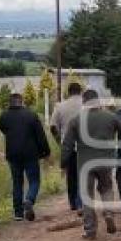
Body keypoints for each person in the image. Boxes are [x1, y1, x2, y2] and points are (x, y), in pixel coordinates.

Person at [61, 89, 121, 240]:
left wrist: (63, 163)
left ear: (84, 102)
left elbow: (67, 145)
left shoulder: (76, 120)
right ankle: (108, 213)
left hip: (85, 164)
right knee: (107, 188)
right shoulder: (110, 117)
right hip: (105, 161)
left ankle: (90, 230)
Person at [0, 93, 50, 221]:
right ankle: (29, 200)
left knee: (17, 182)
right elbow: (40, 135)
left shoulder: (3, 116)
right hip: (30, 154)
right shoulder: (31, 115)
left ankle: (18, 213)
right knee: (34, 180)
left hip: (12, 154)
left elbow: (3, 130)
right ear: (21, 102)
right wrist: (45, 152)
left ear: (10, 103)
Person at [50, 82, 84, 213]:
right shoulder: (86, 105)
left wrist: (60, 142)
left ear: (68, 92)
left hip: (68, 145)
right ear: (80, 91)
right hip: (85, 145)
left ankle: (73, 203)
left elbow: (53, 127)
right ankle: (81, 201)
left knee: (71, 175)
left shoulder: (60, 106)